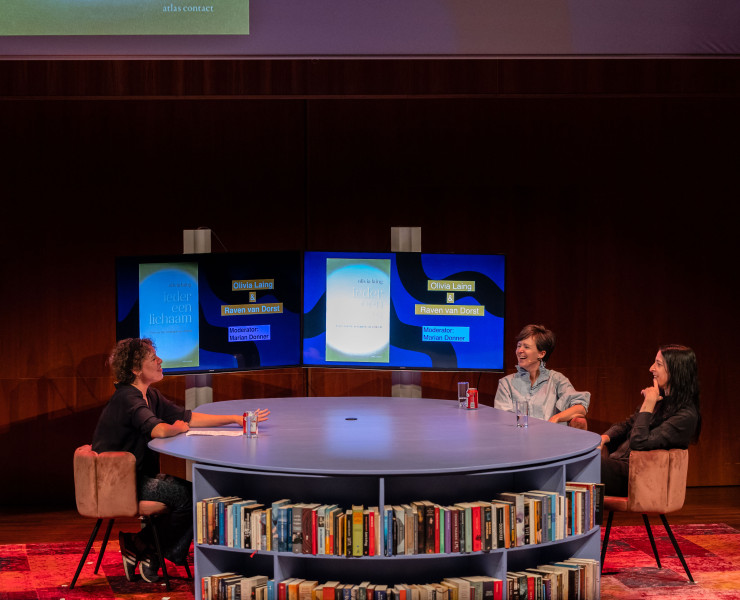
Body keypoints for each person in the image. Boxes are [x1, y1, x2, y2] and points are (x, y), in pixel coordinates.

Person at [92, 337, 269, 583]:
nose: (160, 360)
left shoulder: (149, 395)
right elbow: (159, 429)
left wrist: (234, 419)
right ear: (135, 369)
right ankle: (146, 548)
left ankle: (143, 547)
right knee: (193, 498)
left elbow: (189, 417)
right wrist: (176, 428)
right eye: (153, 358)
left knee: (193, 494)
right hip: (119, 484)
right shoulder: (128, 398)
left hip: (135, 477)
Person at [600, 344, 701, 496]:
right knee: (578, 459)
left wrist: (648, 403)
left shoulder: (685, 416)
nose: (651, 368)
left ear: (675, 371)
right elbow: (626, 425)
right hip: (619, 465)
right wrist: (603, 438)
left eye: (658, 364)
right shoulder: (660, 400)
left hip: (638, 477)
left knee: (582, 465)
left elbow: (639, 442)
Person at [494, 324, 590, 424]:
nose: (520, 350)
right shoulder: (506, 383)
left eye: (526, 347)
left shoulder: (556, 379)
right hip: (517, 433)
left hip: (550, 433)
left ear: (541, 354)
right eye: (518, 346)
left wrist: (556, 418)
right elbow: (503, 420)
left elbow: (580, 408)